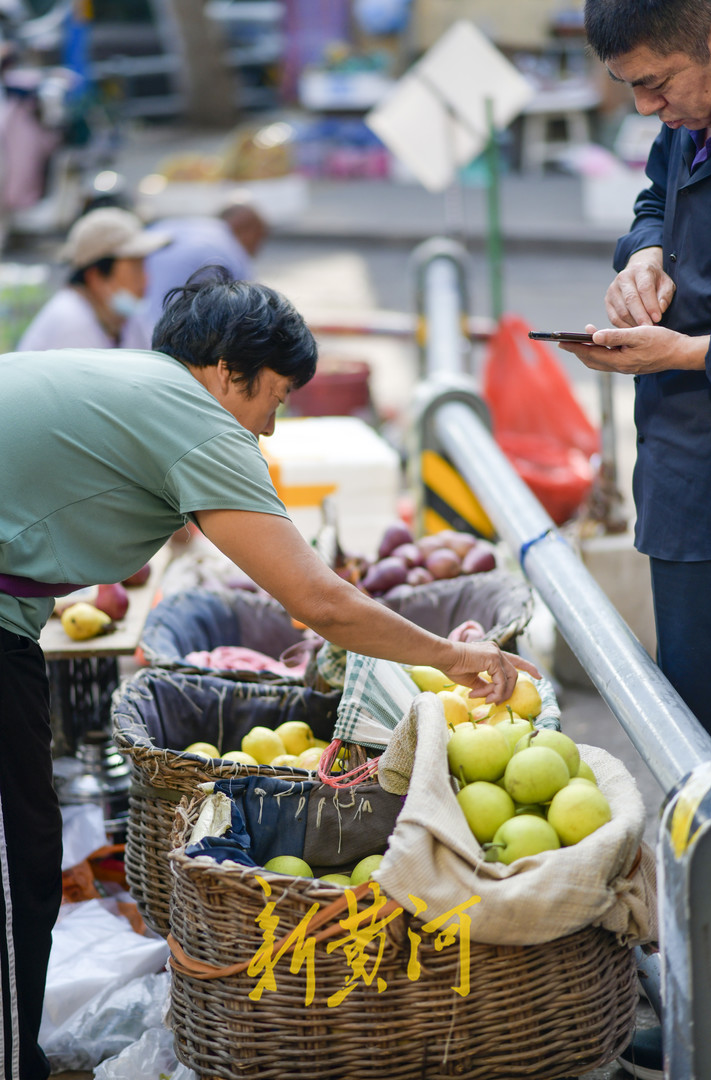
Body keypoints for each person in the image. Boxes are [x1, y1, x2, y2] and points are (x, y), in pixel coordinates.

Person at [0, 266, 538, 1080]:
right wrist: (457, 656)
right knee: (19, 870)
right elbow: (322, 603)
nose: (272, 428)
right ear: (227, 372)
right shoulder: (197, 422)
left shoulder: (143, 388)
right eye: (274, 401)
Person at [562, 1, 711, 1073]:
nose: (648, 106)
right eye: (631, 90)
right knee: (692, 739)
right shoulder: (684, 123)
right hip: (685, 483)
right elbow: (655, 191)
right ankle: (705, 985)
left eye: (659, 80)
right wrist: (646, 250)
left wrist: (692, 355)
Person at [16, 206, 171, 350]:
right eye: (135, 269)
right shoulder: (71, 322)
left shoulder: (125, 319)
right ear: (96, 276)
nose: (145, 279)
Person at [128, 194, 269, 347]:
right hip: (159, 335)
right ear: (249, 230)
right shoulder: (231, 250)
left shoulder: (193, 226)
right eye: (261, 237)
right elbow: (254, 313)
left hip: (130, 320)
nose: (259, 247)